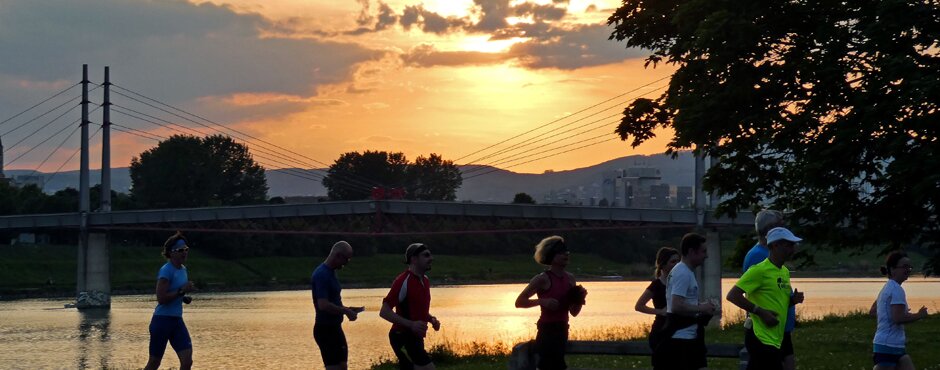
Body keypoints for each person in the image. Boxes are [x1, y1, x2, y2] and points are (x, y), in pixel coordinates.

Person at [726, 227, 805, 370]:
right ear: (775, 246)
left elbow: (778, 303)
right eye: (789, 245)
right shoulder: (759, 270)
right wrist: (761, 312)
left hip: (776, 337)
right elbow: (732, 295)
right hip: (760, 337)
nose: (793, 249)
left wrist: (793, 300)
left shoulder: (784, 271)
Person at [515, 236, 588, 370]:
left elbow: (574, 312)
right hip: (546, 330)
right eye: (560, 252)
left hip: (563, 329)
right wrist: (542, 301)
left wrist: (580, 298)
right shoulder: (542, 279)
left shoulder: (570, 279)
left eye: (566, 251)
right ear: (551, 256)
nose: (566, 254)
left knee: (558, 365)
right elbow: (519, 302)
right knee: (549, 365)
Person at [742, 209, 799, 370]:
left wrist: (791, 300)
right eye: (781, 226)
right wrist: (761, 312)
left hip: (779, 328)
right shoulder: (758, 257)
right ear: (770, 230)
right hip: (765, 330)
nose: (785, 230)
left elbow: (775, 292)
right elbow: (739, 294)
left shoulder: (775, 259)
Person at [379, 243, 442, 370]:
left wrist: (431, 319)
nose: (431, 258)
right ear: (413, 259)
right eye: (426, 255)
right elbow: (384, 312)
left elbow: (417, 309)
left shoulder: (425, 280)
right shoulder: (403, 281)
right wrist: (411, 324)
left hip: (416, 337)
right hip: (401, 337)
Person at [661, 233, 717, 370]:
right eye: (703, 251)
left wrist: (703, 307)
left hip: (689, 338)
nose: (707, 256)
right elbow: (676, 306)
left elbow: (683, 304)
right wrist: (702, 308)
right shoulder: (683, 273)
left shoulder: (684, 271)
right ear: (692, 252)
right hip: (682, 340)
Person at [144, 232, 197, 370]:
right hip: (162, 321)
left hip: (176, 321)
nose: (184, 253)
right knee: (154, 362)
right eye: (180, 250)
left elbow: (176, 293)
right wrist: (181, 290)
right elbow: (161, 299)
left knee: (187, 361)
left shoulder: (183, 269)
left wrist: (184, 297)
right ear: (171, 253)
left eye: (186, 249)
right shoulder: (166, 271)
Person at [868, 251, 928, 370]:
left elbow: (874, 311)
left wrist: (901, 313)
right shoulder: (896, 290)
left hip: (893, 346)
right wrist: (919, 315)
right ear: (892, 269)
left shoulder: (888, 287)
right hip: (888, 347)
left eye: (909, 267)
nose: (908, 270)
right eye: (904, 267)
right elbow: (898, 318)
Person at [311, 241, 365, 370]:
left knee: (342, 366)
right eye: (346, 260)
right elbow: (323, 305)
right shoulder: (322, 274)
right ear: (338, 256)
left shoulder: (331, 272)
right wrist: (345, 311)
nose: (346, 263)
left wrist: (347, 309)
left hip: (335, 328)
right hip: (325, 329)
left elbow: (332, 302)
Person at [634, 247, 680, 369]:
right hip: (661, 331)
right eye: (673, 261)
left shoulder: (680, 282)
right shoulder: (656, 285)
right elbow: (639, 306)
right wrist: (660, 311)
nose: (677, 264)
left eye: (678, 261)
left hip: (678, 330)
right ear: (663, 264)